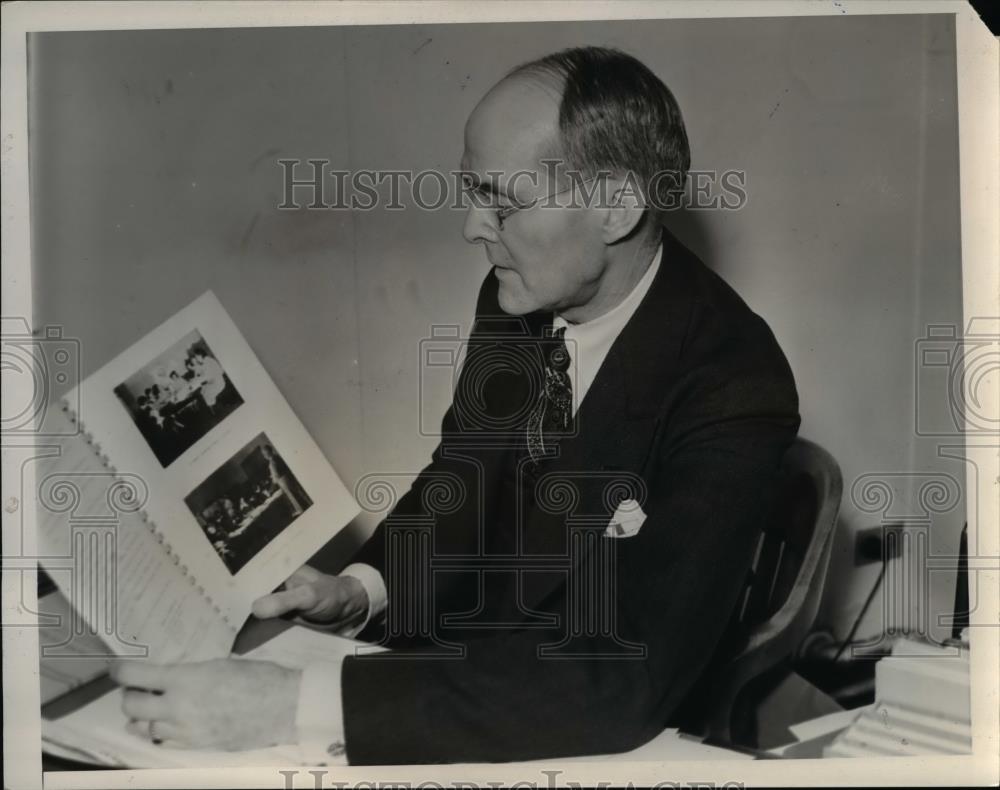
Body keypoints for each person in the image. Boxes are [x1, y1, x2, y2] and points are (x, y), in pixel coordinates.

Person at [112, 46, 799, 764]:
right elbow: (461, 480)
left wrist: (291, 707)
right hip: (473, 682)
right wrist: (362, 588)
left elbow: (620, 677)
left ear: (618, 205)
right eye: (473, 193)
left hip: (602, 739)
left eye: (502, 202)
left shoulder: (734, 379)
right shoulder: (515, 302)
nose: (474, 227)